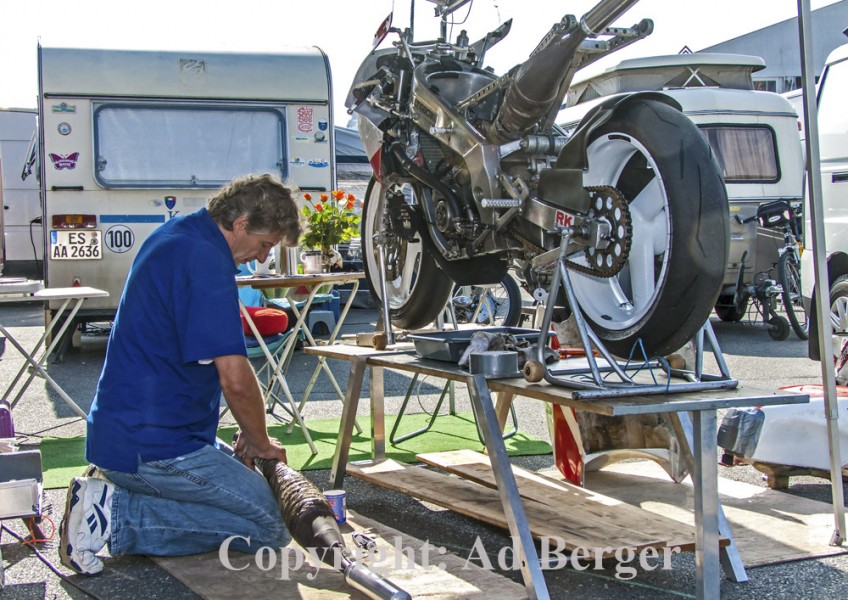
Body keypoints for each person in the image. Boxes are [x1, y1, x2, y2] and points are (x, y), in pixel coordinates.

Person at [59, 173, 303, 575]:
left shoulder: (181, 233)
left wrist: (250, 432)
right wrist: (260, 442)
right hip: (153, 446)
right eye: (264, 245)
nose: (261, 259)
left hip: (135, 434)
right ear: (240, 223)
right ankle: (114, 514)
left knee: (246, 500)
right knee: (272, 524)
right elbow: (235, 378)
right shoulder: (205, 260)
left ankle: (114, 495)